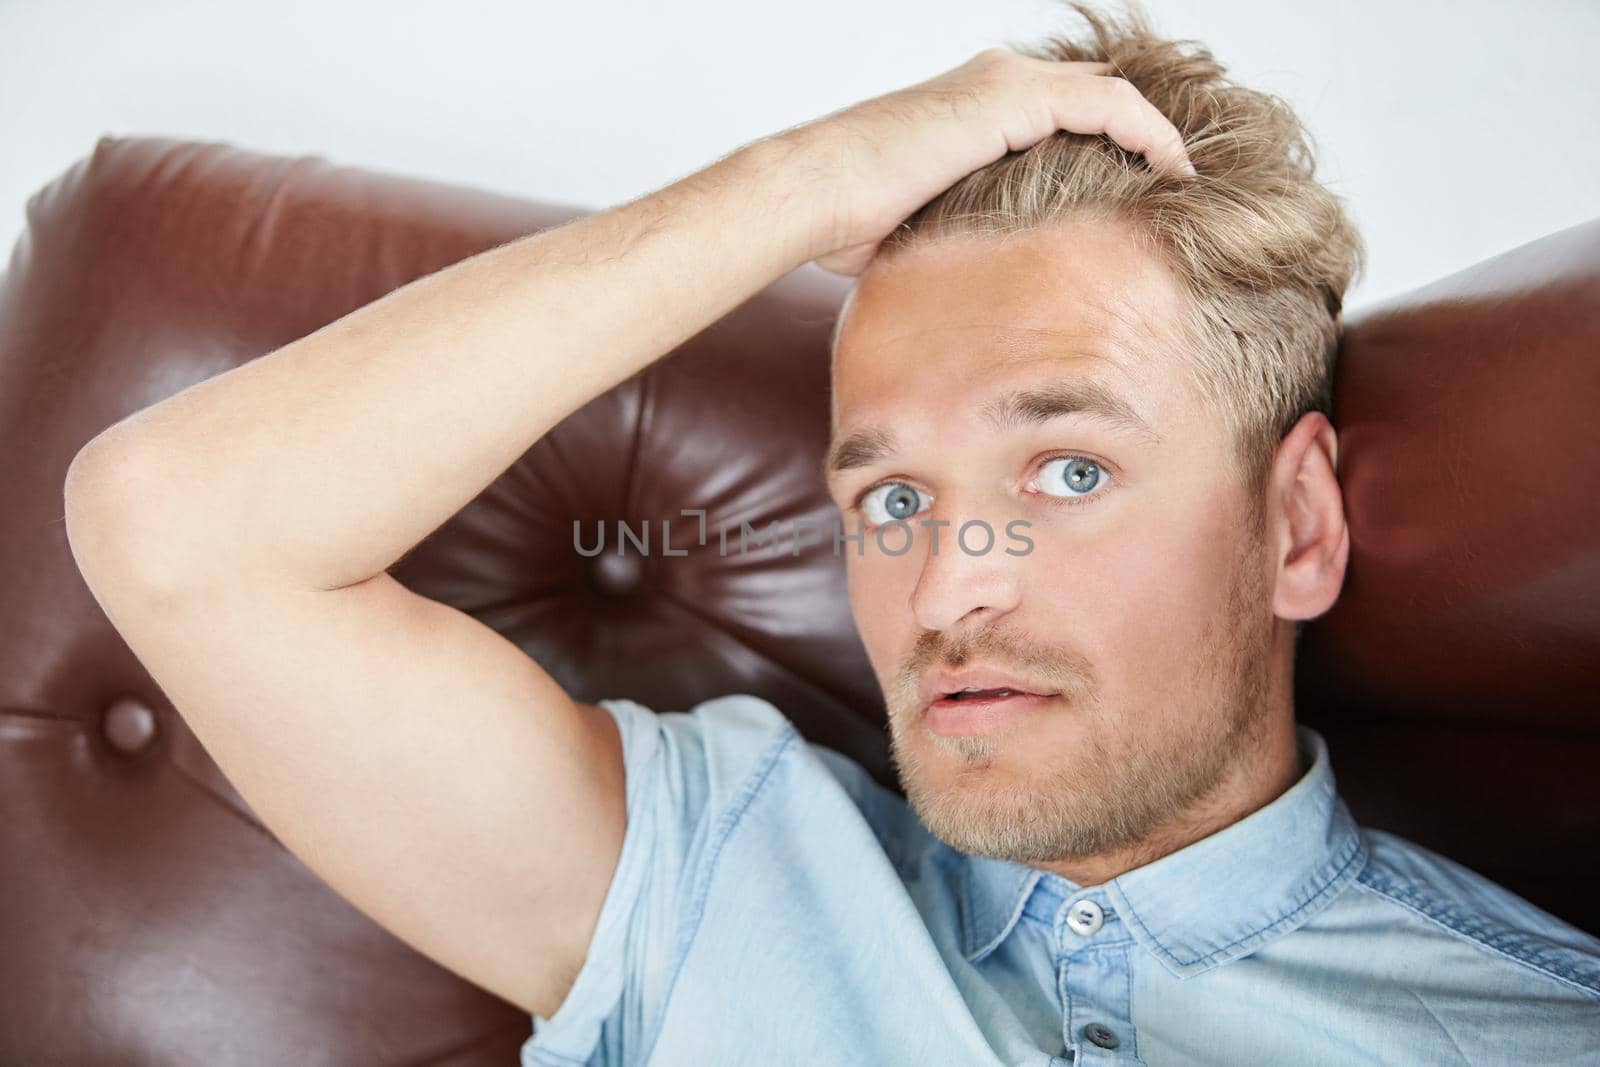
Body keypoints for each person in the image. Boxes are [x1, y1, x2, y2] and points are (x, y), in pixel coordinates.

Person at [62, 1, 1600, 1064]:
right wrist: (794, 189)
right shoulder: (724, 875)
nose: (946, 590)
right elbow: (176, 526)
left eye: (1066, 472)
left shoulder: (1534, 1025)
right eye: (893, 500)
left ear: (1297, 527)